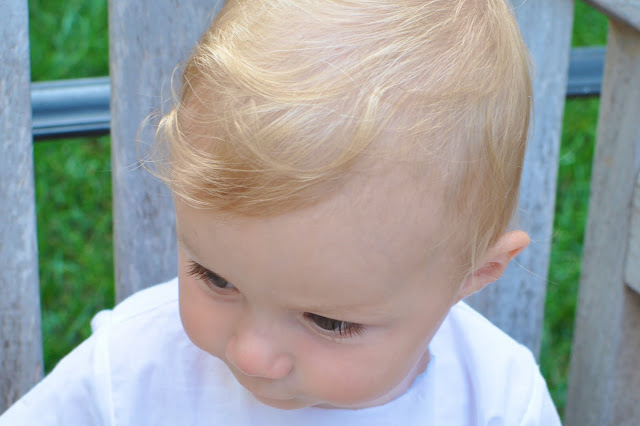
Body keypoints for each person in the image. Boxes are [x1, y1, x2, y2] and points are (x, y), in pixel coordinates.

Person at [1, 0, 562, 424]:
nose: (250, 354)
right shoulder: (132, 371)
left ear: (475, 273)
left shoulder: (498, 401)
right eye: (215, 277)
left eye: (329, 322)